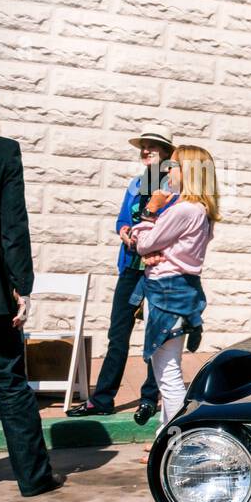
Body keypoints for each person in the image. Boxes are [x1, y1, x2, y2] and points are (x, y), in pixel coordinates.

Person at [0, 74, 63, 496]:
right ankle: (33, 477)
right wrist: (21, 286)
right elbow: (13, 228)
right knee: (9, 381)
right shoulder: (2, 152)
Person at [66, 130, 173, 423]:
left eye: (153, 147)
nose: (146, 152)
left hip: (158, 269)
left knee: (155, 336)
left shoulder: (173, 185)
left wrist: (148, 234)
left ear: (165, 152)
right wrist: (125, 231)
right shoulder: (137, 183)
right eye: (144, 148)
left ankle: (151, 397)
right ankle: (102, 399)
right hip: (131, 266)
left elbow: (172, 224)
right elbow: (123, 219)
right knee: (118, 335)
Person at [129, 145, 217, 440]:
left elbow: (143, 243)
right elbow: (157, 247)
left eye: (174, 166)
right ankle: (166, 436)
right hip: (182, 290)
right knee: (169, 369)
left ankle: (177, 440)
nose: (168, 171)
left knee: (167, 373)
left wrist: (150, 209)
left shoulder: (183, 209)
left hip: (166, 291)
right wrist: (152, 249)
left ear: (189, 173)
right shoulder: (202, 211)